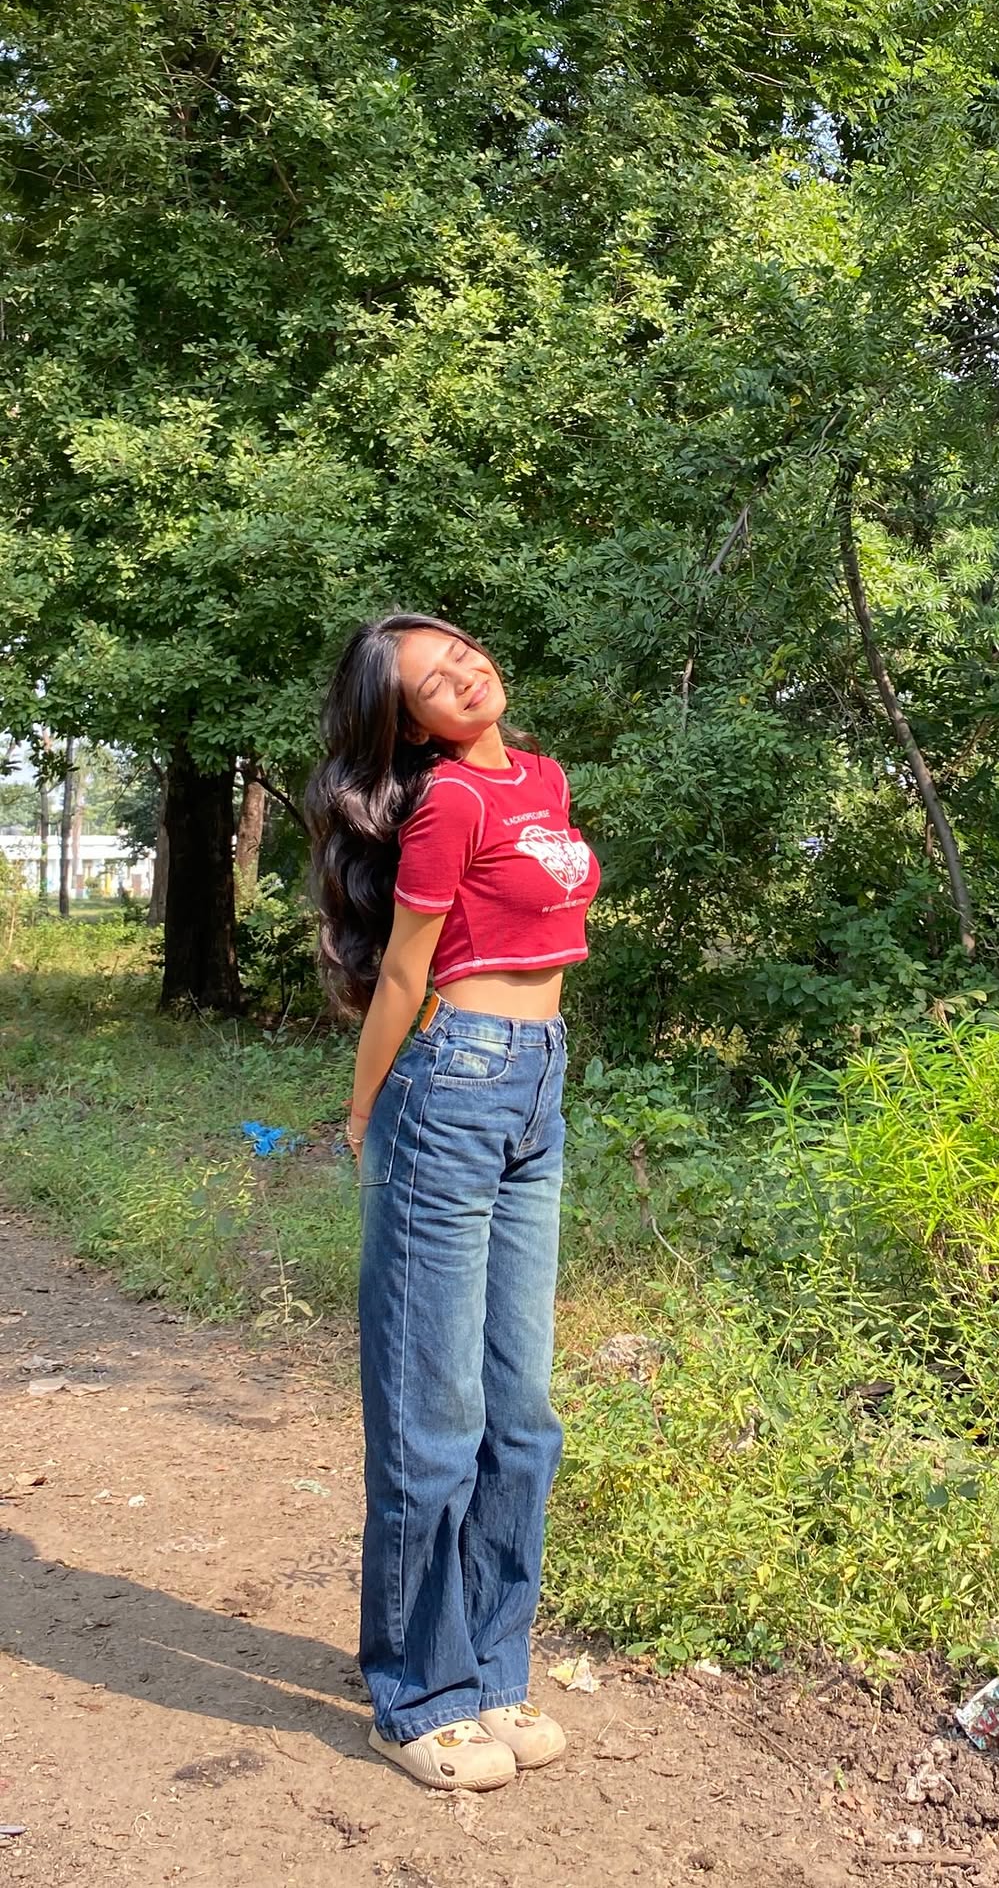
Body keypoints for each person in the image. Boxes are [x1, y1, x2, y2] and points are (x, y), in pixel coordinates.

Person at [306, 612, 601, 1792]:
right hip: (452, 1080)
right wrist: (364, 1109)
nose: (465, 673)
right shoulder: (447, 802)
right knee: (435, 1409)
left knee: (521, 1413)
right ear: (412, 724)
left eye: (463, 652)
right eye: (433, 680)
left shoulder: (543, 777)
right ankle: (416, 1694)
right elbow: (404, 967)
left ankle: (489, 1669)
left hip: (539, 1083)